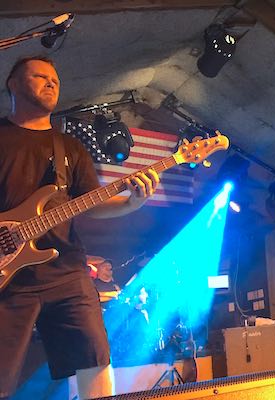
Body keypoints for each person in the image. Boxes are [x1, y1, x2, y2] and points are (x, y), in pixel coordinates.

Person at [0, 56, 160, 399]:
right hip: (8, 278)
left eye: (55, 80)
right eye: (40, 76)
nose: (51, 83)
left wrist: (132, 204)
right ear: (13, 84)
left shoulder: (68, 147)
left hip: (66, 271)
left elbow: (90, 202)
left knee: (95, 357)